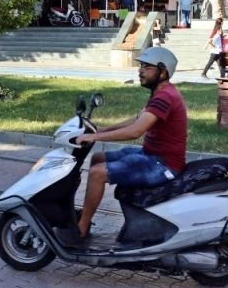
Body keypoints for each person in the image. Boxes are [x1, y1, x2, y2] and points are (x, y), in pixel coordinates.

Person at [58, 47, 187, 246]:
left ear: (162, 71)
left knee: (97, 173)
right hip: (152, 155)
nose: (140, 70)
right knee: (97, 158)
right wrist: (100, 130)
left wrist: (95, 138)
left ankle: (81, 228)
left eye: (146, 67)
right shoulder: (161, 93)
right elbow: (136, 119)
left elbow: (135, 131)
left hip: (162, 165)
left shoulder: (165, 97)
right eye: (140, 66)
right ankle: (85, 214)